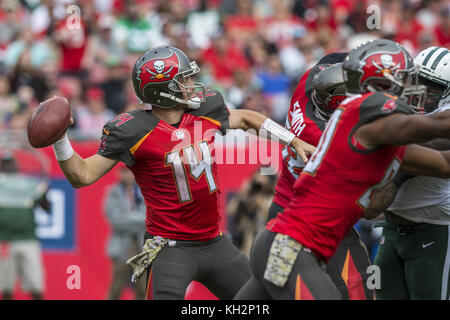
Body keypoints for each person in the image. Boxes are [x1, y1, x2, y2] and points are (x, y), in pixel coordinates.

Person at [47, 45, 315, 300]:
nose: (191, 85)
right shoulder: (133, 131)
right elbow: (81, 175)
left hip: (215, 241)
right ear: (162, 91)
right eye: (182, 81)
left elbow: (246, 118)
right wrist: (60, 140)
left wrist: (291, 139)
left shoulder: (205, 109)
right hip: (169, 248)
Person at [233, 39, 450, 300]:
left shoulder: (368, 127)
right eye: (406, 80)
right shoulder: (366, 118)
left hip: (283, 242)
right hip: (292, 249)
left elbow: (444, 164)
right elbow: (437, 126)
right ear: (379, 87)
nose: (414, 89)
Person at [259, 52, 374, 300]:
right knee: (356, 286)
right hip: (310, 221)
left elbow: (330, 58)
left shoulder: (309, 82)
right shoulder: (325, 139)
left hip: (284, 206)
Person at [374, 45, 450, 300]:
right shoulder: (399, 106)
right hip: (391, 229)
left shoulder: (443, 121)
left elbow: (416, 152)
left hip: (434, 230)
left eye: (434, 86)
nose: (423, 91)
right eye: (419, 80)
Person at [0, 153, 49, 300]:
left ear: (17, 167)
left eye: (11, 164)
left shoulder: (28, 185)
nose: (9, 168)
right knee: (6, 287)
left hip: (28, 240)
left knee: (36, 285)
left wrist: (44, 191)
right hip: (4, 242)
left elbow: (46, 207)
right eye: (5, 165)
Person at [104, 164, 146, 300]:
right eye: (124, 172)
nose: (128, 175)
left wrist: (127, 218)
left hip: (142, 247)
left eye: (130, 171)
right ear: (119, 173)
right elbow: (116, 221)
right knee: (116, 287)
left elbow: (149, 216)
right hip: (122, 247)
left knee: (142, 288)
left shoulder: (144, 190)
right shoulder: (112, 193)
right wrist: (138, 219)